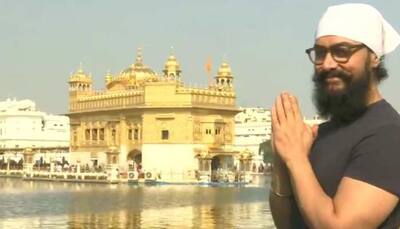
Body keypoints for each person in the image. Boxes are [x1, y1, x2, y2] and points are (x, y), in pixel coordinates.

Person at [270, 3, 400, 229]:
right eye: (320, 53)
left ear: (374, 57)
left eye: (342, 51)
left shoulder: (388, 135)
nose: (328, 64)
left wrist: (296, 159)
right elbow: (286, 224)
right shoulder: (321, 134)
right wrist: (283, 159)